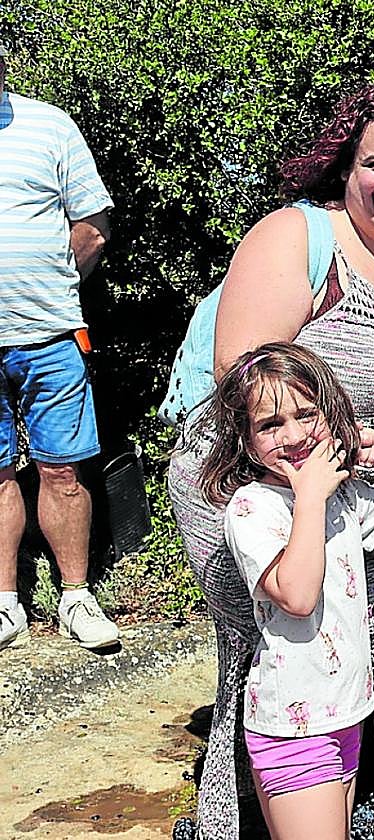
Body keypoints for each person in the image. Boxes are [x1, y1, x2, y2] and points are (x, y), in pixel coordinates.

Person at [167, 81, 374, 838]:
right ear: (344, 165)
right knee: (288, 670)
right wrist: (333, 457)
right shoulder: (299, 236)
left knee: (344, 680)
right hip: (285, 500)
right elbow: (244, 378)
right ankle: (251, 814)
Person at [196, 343, 374, 840]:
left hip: (344, 710)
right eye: (270, 424)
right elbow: (296, 596)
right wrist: (311, 498)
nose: (294, 435)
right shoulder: (253, 507)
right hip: (293, 724)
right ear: (244, 440)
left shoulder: (339, 493)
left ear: (331, 414)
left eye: (306, 414)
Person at [0, 40, 119, 651]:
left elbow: (92, 227)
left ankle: (76, 595)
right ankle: (5, 602)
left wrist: (47, 282)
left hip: (49, 333)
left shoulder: (49, 125)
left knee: (63, 470)